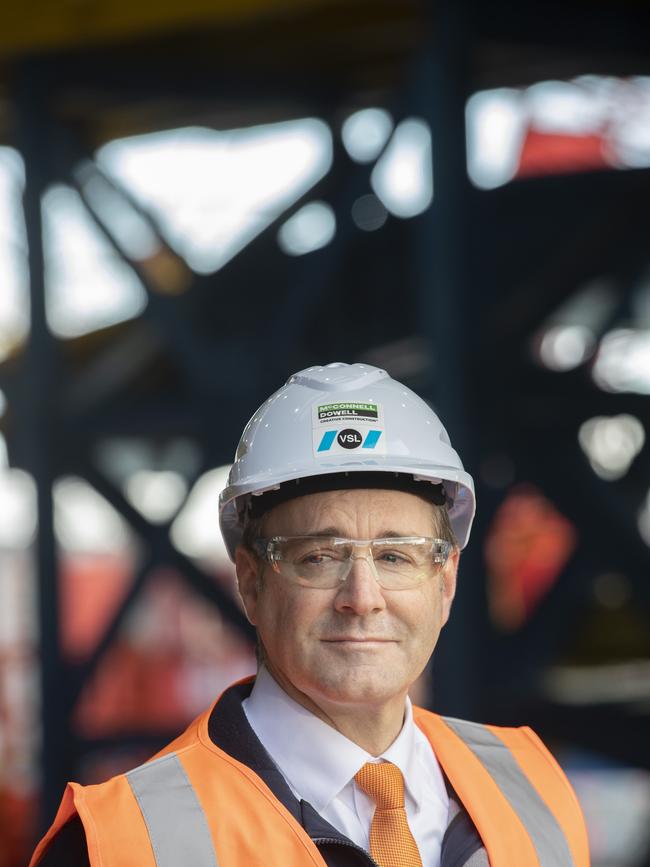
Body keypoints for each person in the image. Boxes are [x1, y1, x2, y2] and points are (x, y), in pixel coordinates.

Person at [31, 362, 590, 867]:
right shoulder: (118, 844)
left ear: (446, 582)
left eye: (396, 556)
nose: (363, 597)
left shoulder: (533, 786)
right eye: (319, 557)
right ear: (250, 583)